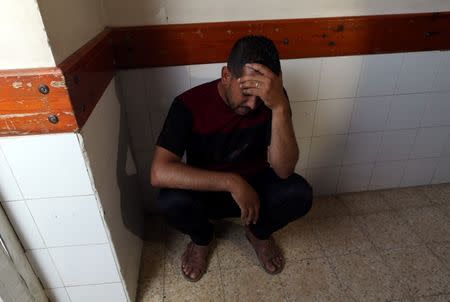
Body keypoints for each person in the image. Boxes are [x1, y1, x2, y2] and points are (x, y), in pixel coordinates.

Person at [150, 35, 313, 282]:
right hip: (208, 189)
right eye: (247, 92)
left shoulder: (273, 100)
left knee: (300, 193)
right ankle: (202, 239)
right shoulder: (188, 104)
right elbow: (159, 172)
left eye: (261, 96)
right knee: (169, 201)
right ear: (226, 75)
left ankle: (258, 234)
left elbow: (284, 170)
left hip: (255, 190)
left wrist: (279, 107)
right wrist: (232, 182)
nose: (253, 104)